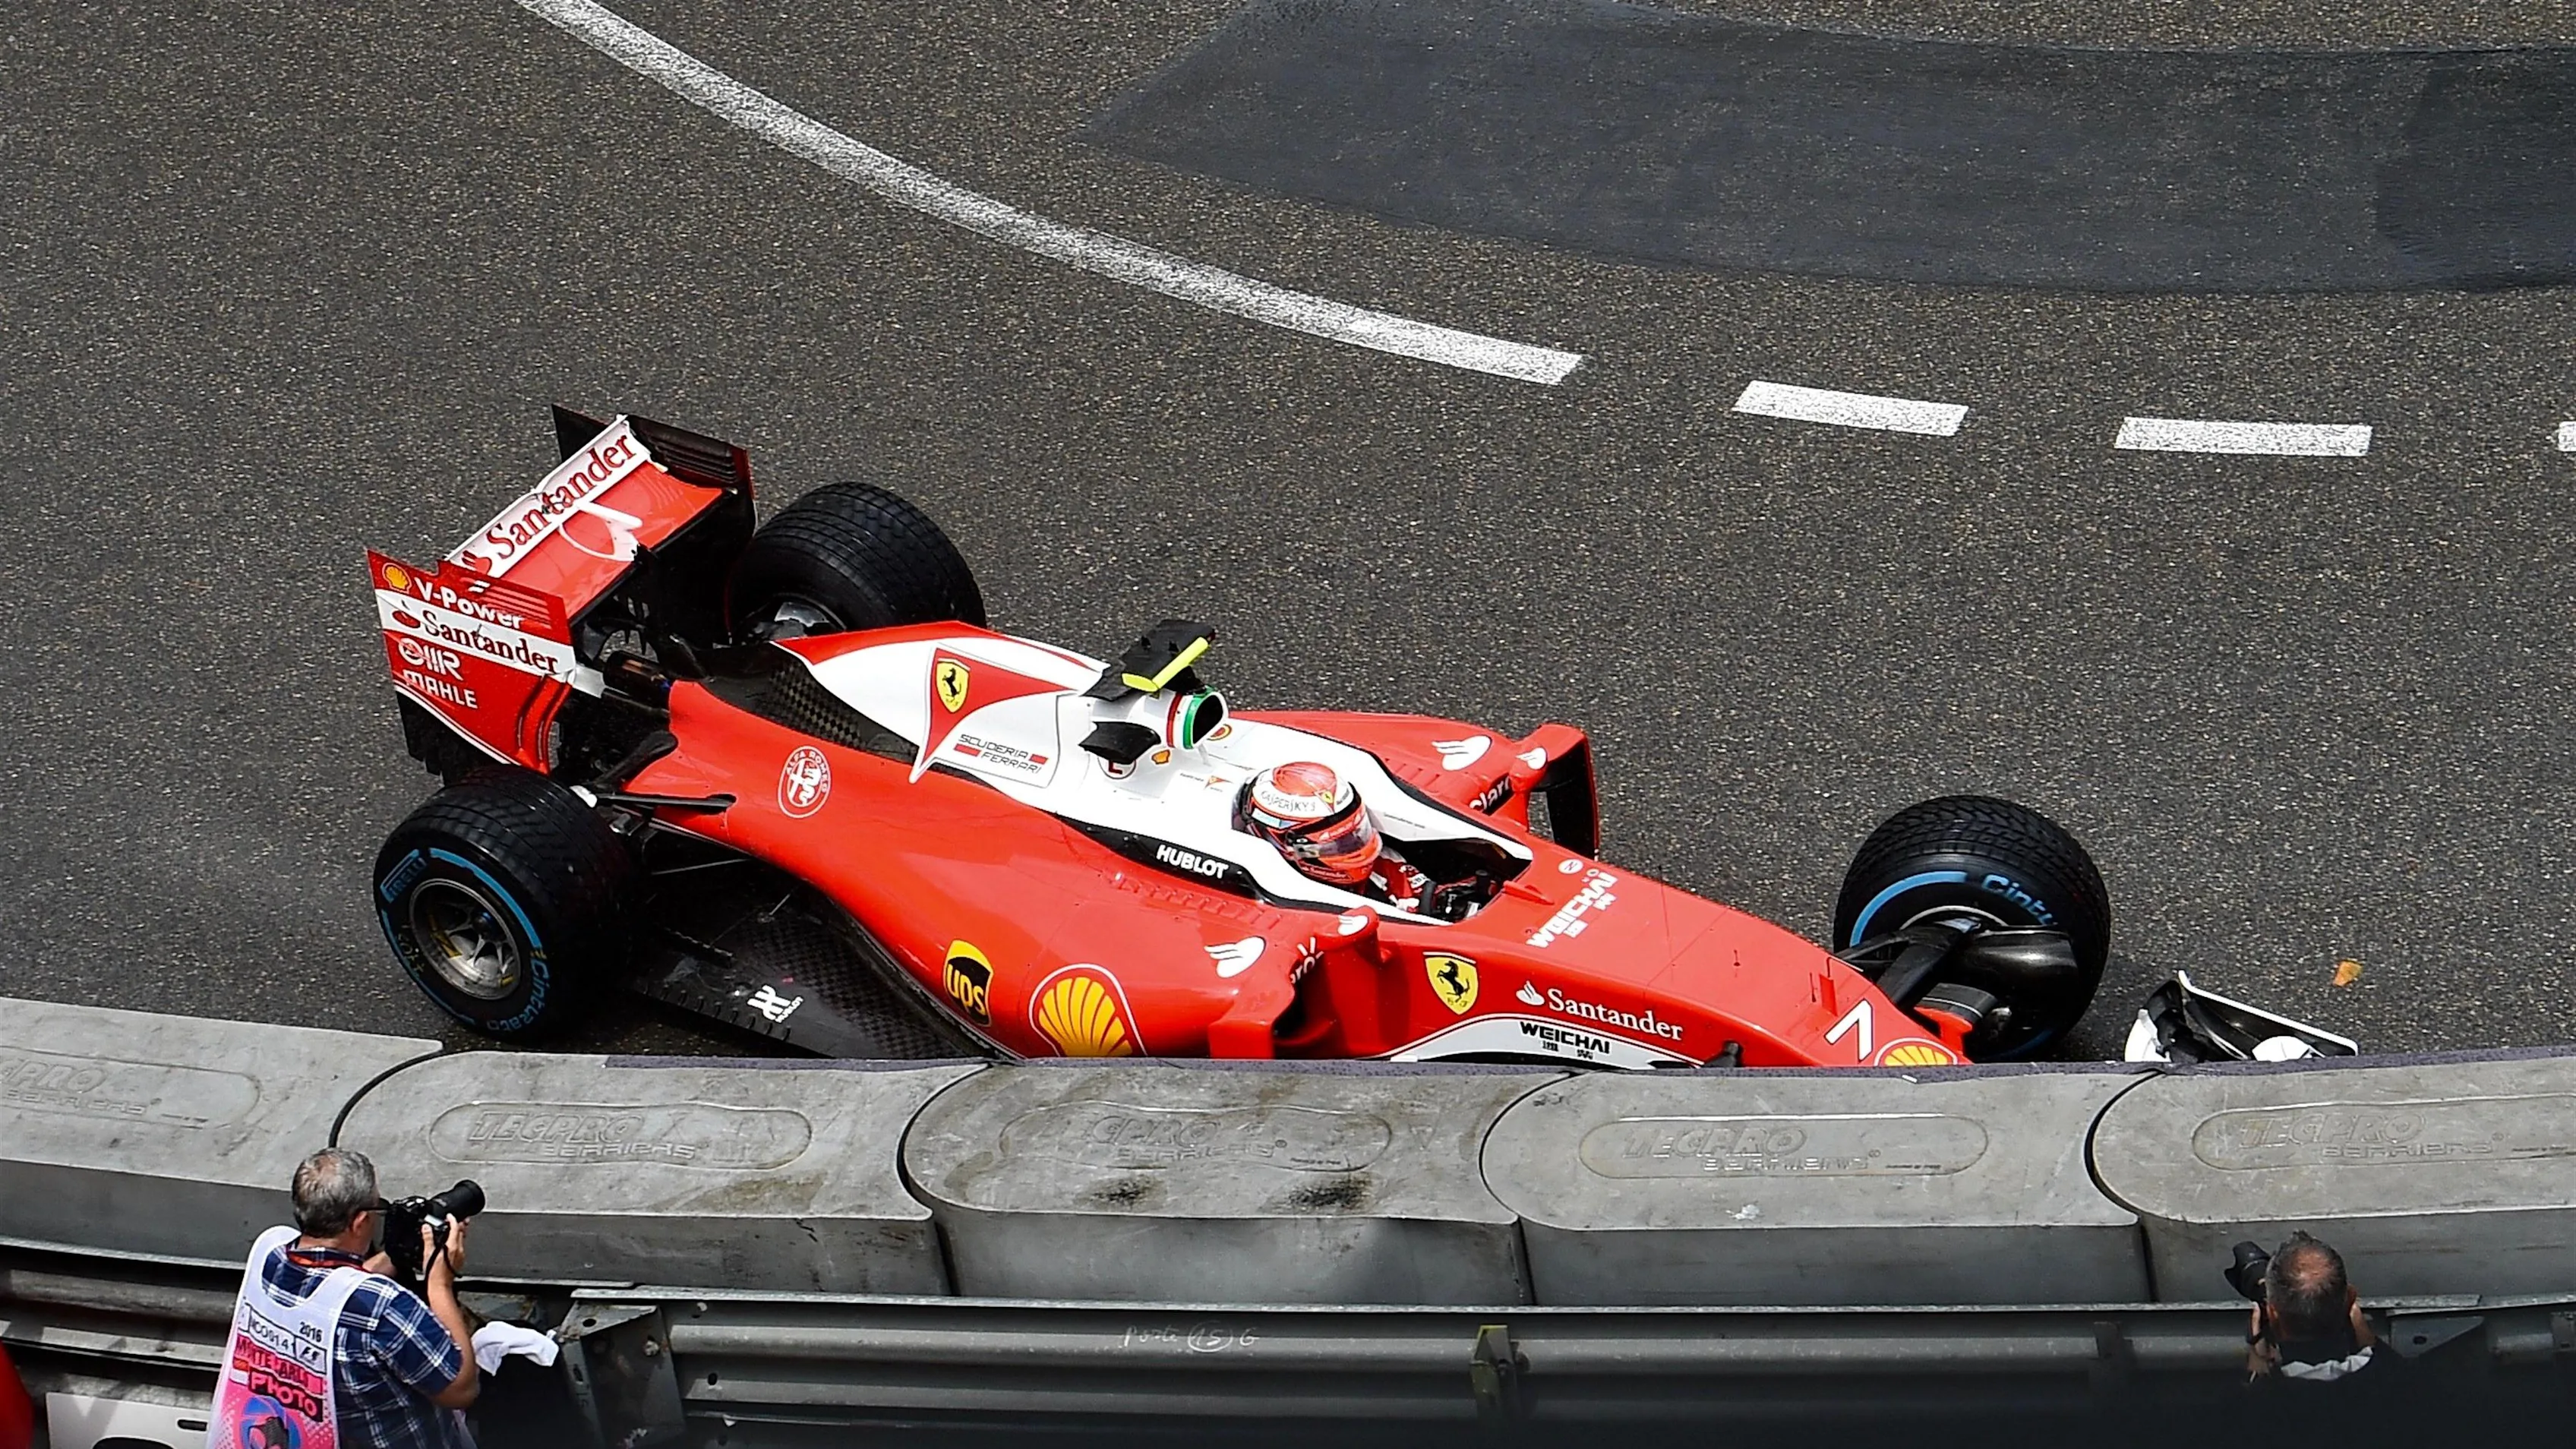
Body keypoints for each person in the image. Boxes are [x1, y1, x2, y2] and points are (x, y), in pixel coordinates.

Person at [209, 1148, 478, 1449]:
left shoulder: (268, 1255)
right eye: (379, 1209)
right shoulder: (384, 1308)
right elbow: (460, 1389)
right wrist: (439, 1282)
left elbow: (327, 1292)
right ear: (360, 1221)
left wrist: (394, 1255)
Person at [1240, 761, 1437, 907]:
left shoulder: (1384, 863)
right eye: (1335, 844)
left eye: (1357, 832)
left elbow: (1423, 898)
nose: (1356, 846)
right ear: (1287, 846)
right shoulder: (1254, 897)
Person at [2246, 1231, 2395, 1388]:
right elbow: (2396, 1370)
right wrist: (2367, 1337)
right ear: (2351, 1300)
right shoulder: (2401, 1385)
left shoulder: (2248, 1406)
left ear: (2272, 1315)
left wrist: (2256, 1371)